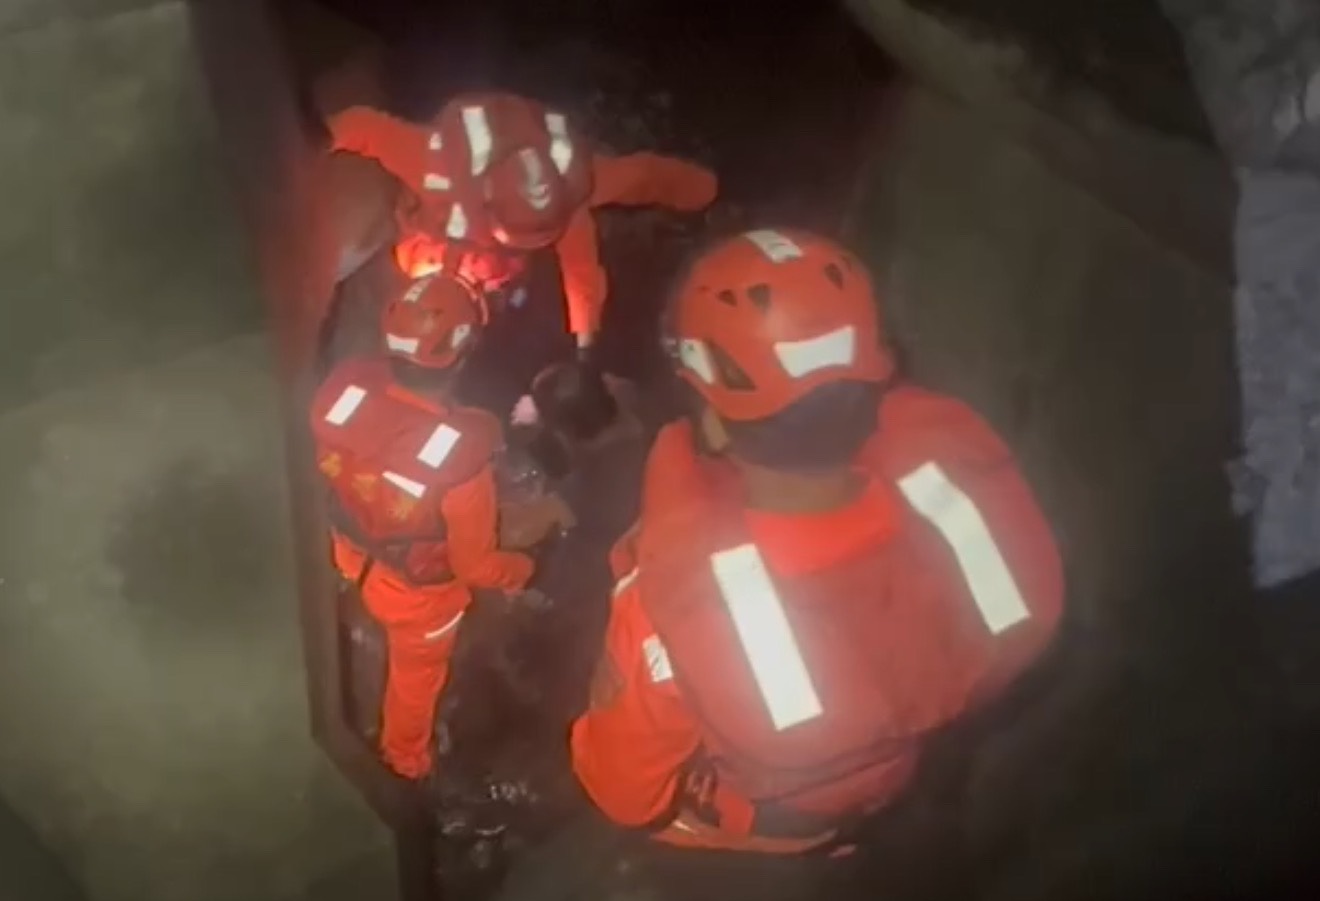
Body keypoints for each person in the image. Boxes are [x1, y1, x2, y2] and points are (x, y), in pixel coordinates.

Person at [568, 229, 1065, 852]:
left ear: (712, 414)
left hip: (768, 823)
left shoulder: (666, 606)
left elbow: (624, 793)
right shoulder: (956, 484)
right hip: (904, 770)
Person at [310, 274, 553, 779]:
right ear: (462, 352)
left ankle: (350, 626)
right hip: (414, 597)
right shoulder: (460, 457)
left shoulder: (345, 393)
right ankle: (406, 763)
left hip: (346, 550)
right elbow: (475, 566)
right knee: (416, 678)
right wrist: (524, 569)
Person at [326, 91, 719, 353]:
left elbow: (643, 181)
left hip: (485, 267)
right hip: (430, 235)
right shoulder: (434, 161)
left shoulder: (573, 195)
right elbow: (364, 127)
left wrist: (585, 336)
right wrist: (319, 141)